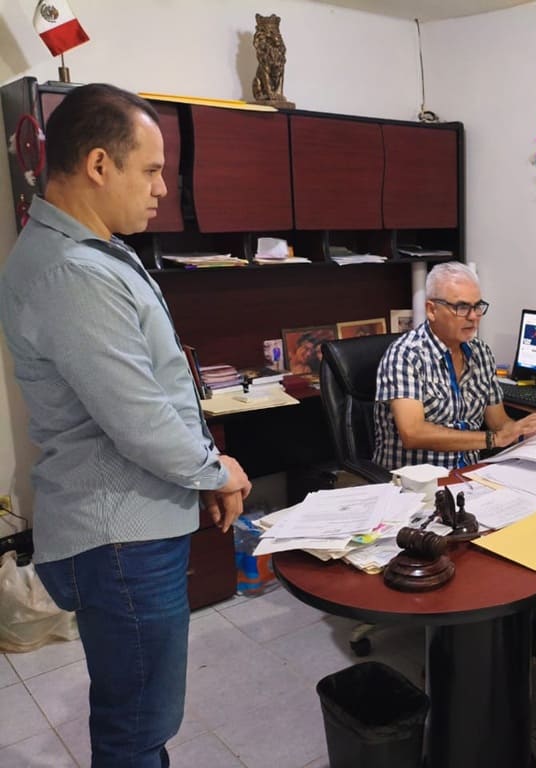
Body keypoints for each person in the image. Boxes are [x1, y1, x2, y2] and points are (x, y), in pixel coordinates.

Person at [0, 83, 252, 767]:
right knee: (136, 727)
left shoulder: (89, 249)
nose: (163, 188)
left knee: (138, 718)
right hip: (120, 538)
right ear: (98, 165)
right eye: (151, 169)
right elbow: (139, 418)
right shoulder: (71, 271)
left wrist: (200, 474)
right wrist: (215, 470)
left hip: (127, 526)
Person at [373, 261, 536, 470]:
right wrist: (493, 439)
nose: (473, 317)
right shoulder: (406, 355)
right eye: (462, 307)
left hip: (470, 475)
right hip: (417, 481)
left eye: (477, 306)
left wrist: (522, 432)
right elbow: (413, 433)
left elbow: (498, 422)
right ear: (431, 310)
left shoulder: (481, 353)